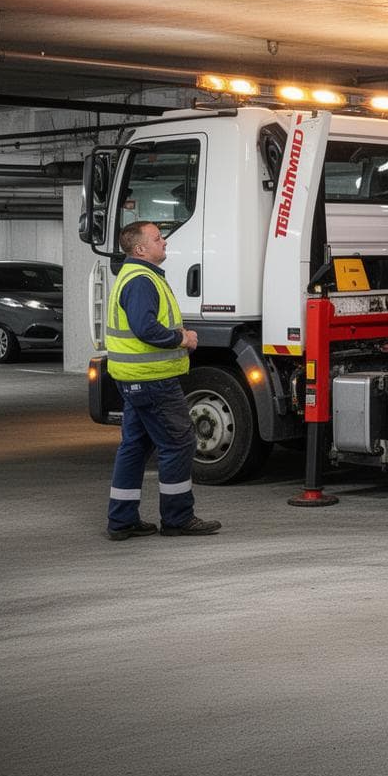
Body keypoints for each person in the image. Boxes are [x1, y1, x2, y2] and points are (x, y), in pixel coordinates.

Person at [103, 220, 221, 541]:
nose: (164, 242)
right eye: (157, 238)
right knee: (179, 443)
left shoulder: (134, 276)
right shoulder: (141, 281)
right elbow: (145, 328)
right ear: (140, 249)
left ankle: (122, 520)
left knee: (135, 446)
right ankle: (177, 518)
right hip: (154, 380)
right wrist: (181, 339)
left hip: (133, 380)